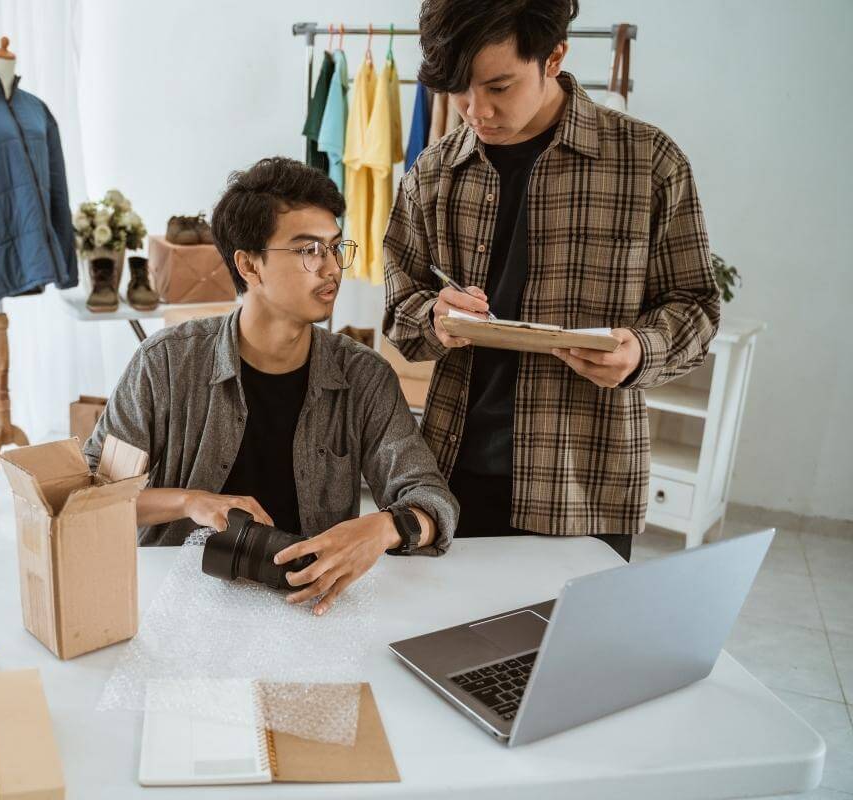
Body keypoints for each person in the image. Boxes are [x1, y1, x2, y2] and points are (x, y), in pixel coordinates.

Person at [383, 0, 720, 561]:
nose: (475, 110)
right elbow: (399, 309)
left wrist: (640, 350)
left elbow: (697, 307)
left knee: (564, 648)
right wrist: (434, 317)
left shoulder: (649, 163)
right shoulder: (433, 173)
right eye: (459, 91)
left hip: (584, 483)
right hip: (450, 476)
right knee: (438, 644)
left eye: (498, 86)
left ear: (555, 56)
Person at [85, 157, 459, 615]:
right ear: (249, 265)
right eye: (308, 251)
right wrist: (191, 502)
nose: (331, 269)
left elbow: (431, 501)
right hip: (180, 601)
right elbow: (92, 499)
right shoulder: (165, 363)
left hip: (311, 605)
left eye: (335, 248)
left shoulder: (364, 376)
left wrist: (385, 527)